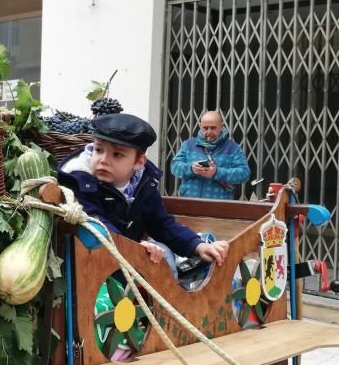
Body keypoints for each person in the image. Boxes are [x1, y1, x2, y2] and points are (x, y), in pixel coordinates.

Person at [58, 113, 229, 271]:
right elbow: (97, 224)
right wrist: (135, 249)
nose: (103, 160)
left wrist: (198, 246)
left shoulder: (144, 183)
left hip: (126, 266)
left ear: (139, 162)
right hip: (86, 270)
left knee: (166, 263)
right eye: (99, 150)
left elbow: (161, 224)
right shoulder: (79, 182)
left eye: (117, 154)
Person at [169, 110, 250, 200]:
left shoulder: (233, 148)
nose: (209, 132)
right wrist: (191, 168)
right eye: (205, 128)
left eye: (213, 128)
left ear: (221, 127)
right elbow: (174, 166)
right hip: (189, 202)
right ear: (200, 127)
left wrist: (217, 172)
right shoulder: (188, 144)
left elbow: (244, 173)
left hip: (219, 206)